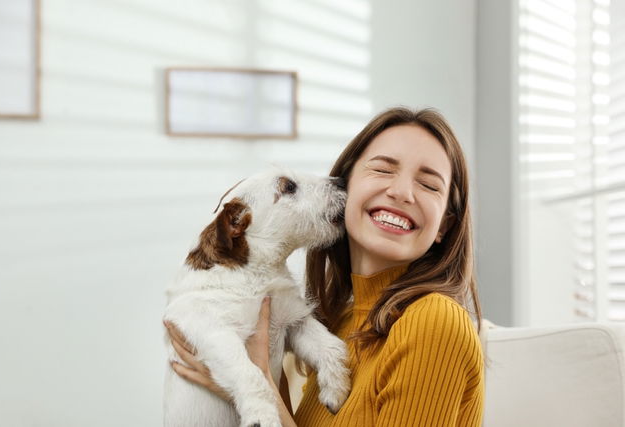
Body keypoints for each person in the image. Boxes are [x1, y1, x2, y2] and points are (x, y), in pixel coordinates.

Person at [165, 107, 485, 426]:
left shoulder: (434, 322)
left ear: (444, 225)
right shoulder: (342, 322)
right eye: (383, 170)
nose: (401, 192)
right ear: (346, 185)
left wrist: (258, 382)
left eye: (429, 185)